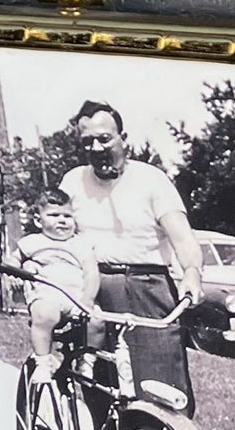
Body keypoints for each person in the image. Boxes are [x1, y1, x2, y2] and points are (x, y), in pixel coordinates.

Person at [56, 101, 204, 407]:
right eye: (88, 142)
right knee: (100, 392)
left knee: (163, 393)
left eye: (105, 139)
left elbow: (183, 238)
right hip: (92, 291)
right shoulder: (73, 181)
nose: (97, 148)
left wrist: (192, 273)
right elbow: (54, 234)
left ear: (124, 137)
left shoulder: (151, 179)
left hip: (148, 290)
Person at [0, 188, 99, 383]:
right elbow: (12, 260)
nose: (62, 220)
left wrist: (87, 300)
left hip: (76, 297)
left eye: (67, 216)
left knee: (97, 320)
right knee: (45, 314)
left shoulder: (80, 245)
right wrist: (13, 273)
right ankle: (43, 363)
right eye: (54, 215)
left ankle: (86, 360)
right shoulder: (33, 242)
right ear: (38, 220)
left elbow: (91, 273)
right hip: (46, 294)